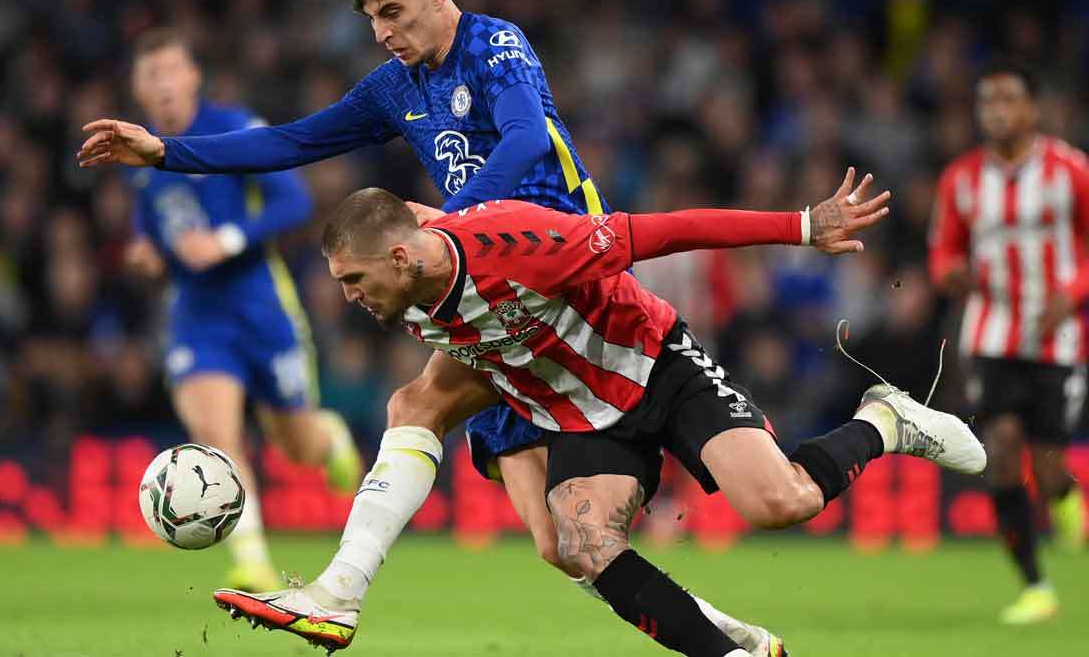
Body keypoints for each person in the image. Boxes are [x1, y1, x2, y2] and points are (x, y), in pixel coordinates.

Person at [79, 0, 785, 649]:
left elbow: (527, 137)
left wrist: (450, 228)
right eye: (371, 19)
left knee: (415, 406)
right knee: (558, 544)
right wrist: (165, 152)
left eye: (391, 12)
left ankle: (337, 595)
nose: (381, 32)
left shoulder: (495, 46)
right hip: (489, 294)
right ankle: (735, 640)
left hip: (562, 287)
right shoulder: (396, 88)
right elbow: (292, 141)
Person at [212, 175, 986, 656]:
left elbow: (662, 231)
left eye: (354, 279)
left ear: (403, 258)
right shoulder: (407, 265)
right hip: (580, 415)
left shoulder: (521, 246)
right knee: (579, 544)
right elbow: (404, 216)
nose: (348, 296)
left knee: (778, 503)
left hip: (655, 365)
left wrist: (801, 227)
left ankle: (885, 420)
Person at [124, 28, 362, 592]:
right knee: (216, 434)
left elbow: (294, 200)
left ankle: (330, 439)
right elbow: (152, 235)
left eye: (169, 71)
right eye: (150, 75)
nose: (161, 85)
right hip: (196, 314)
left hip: (259, 303)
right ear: (138, 87)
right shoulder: (142, 159)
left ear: (193, 77)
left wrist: (226, 240)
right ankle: (251, 557)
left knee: (295, 446)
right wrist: (148, 256)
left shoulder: (234, 128)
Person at [929, 60, 1088, 624]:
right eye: (986, 102)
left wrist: (1076, 290)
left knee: (1047, 468)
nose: (995, 112)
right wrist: (949, 273)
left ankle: (1064, 498)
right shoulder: (962, 179)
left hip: (1057, 338)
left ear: (1033, 109)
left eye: (1007, 101)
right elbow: (943, 251)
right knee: (1000, 447)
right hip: (990, 335)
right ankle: (1035, 586)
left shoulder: (1072, 170)